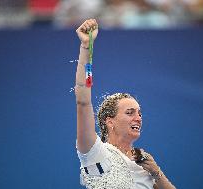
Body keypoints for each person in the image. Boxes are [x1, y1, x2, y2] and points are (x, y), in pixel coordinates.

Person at [75, 18, 176, 189]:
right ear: (110, 121)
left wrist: (156, 172)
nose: (138, 118)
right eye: (130, 113)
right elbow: (83, 101)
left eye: (139, 113)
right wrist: (86, 46)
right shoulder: (96, 153)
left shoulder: (145, 164)